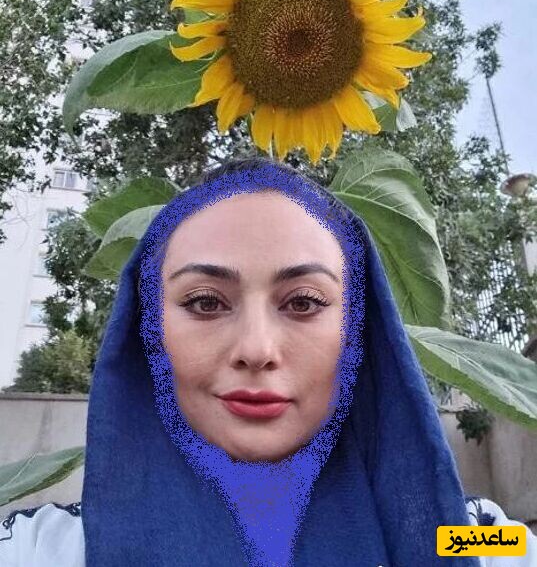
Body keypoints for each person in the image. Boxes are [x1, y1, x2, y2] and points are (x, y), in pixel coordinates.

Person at [1, 156, 535, 566]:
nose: (256, 350)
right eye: (204, 302)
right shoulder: (49, 547)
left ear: (360, 333)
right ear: (148, 333)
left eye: (303, 302)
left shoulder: (474, 538)